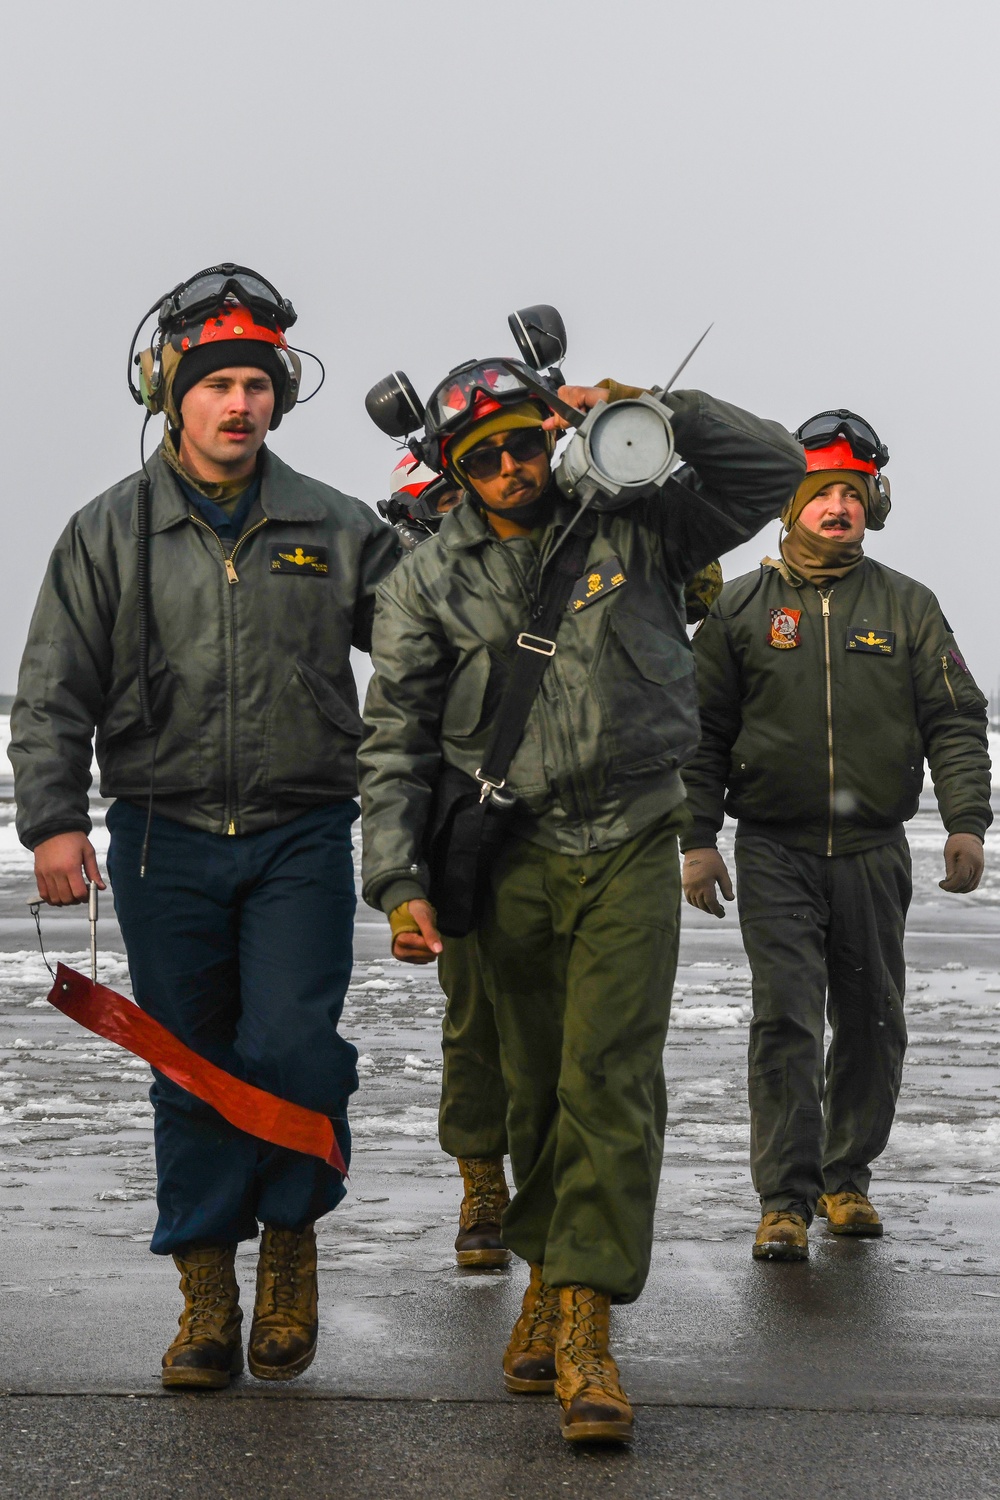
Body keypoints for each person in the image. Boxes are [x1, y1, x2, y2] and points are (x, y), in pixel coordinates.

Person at [359, 354, 804, 1443]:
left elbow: (772, 471)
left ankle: (586, 1323)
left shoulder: (636, 521)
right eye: (485, 456)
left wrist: (656, 409)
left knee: (609, 1074)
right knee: (533, 1090)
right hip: (504, 853)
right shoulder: (424, 581)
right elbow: (395, 741)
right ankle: (548, 1278)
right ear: (456, 473)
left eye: (525, 442)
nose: (513, 467)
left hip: (633, 834)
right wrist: (396, 879)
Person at [9, 264, 400, 1388]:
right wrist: (51, 821)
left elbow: (429, 649)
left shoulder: (334, 523)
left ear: (280, 398)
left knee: (293, 1048)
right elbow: (52, 691)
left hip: (301, 833)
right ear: (169, 394)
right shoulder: (106, 533)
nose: (239, 405)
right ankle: (204, 1296)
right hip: (156, 835)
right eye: (217, 383)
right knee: (185, 1065)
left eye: (257, 385)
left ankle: (287, 1248)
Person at [680, 409, 992, 1261]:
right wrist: (697, 838)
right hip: (774, 849)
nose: (839, 507)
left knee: (871, 1017)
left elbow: (958, 719)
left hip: (872, 851)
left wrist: (966, 822)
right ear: (791, 505)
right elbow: (699, 733)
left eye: (853, 495)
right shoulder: (741, 609)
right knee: (784, 1017)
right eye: (823, 493)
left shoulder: (907, 605)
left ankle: (845, 1179)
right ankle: (784, 1199)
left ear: (872, 507)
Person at [381, 454, 513, 1269]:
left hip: (572, 818)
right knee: (474, 1020)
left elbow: (691, 590)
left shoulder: (572, 539)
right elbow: (395, 720)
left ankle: (550, 1192)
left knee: (575, 1032)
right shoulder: (417, 565)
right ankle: (482, 1185)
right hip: (459, 822)